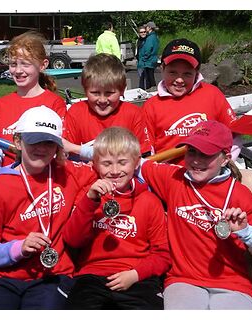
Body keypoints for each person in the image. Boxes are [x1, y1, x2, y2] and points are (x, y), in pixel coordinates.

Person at [138, 120, 252, 310]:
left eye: (206, 154)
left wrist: (246, 231)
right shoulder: (174, 179)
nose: (196, 160)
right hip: (183, 280)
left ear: (225, 158)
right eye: (191, 151)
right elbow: (131, 162)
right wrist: (90, 153)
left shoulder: (238, 193)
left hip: (233, 284)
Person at [0, 106, 97, 310]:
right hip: (4, 277)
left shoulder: (67, 172)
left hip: (52, 276)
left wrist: (83, 201)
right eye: (34, 140)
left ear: (58, 147)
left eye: (49, 143)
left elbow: (114, 161)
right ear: (18, 141)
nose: (41, 148)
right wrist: (18, 248)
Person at [63, 126, 171, 310]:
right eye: (106, 163)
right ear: (95, 164)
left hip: (137, 277)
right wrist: (89, 202)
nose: (114, 170)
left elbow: (162, 254)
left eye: (122, 163)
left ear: (136, 163)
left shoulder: (149, 201)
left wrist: (136, 274)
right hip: (92, 276)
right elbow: (73, 240)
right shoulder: (89, 195)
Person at [0, 30, 67, 187]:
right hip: (7, 180)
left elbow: (60, 149)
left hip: (44, 182)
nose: (18, 71)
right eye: (13, 64)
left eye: (25, 64)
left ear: (43, 65)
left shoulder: (55, 103)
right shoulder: (0, 106)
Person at [142, 38, 241, 165]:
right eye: (173, 72)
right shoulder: (151, 106)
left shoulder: (212, 94)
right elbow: (147, 152)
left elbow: (235, 135)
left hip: (208, 172)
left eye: (187, 74)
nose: (179, 80)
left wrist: (223, 164)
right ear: (162, 69)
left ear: (197, 73)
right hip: (168, 175)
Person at [63, 53, 153, 160]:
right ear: (85, 89)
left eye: (109, 93)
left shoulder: (134, 114)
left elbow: (142, 156)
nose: (102, 100)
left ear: (122, 89)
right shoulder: (76, 112)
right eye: (95, 93)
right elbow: (65, 153)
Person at [138, 21, 159, 90]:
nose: (145, 28)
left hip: (148, 61)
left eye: (146, 27)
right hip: (153, 59)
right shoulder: (155, 36)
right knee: (150, 77)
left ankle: (152, 91)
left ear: (149, 28)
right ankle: (153, 90)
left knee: (149, 79)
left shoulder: (150, 38)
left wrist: (144, 58)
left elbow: (148, 49)